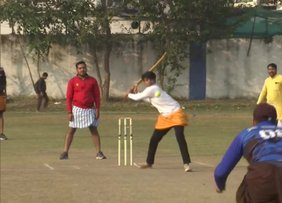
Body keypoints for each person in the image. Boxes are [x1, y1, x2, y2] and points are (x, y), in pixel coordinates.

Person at [214, 103, 282, 203]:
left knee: (243, 192)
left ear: (254, 121)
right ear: (276, 121)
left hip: (262, 177)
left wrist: (220, 186)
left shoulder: (247, 133)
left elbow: (220, 172)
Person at [126, 71, 192, 172]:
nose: (150, 81)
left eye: (152, 79)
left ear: (154, 80)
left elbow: (137, 98)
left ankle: (186, 164)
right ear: (144, 81)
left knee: (180, 137)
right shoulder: (152, 90)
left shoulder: (153, 88)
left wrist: (129, 94)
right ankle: (149, 163)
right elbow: (148, 99)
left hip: (176, 113)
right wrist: (135, 93)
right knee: (154, 139)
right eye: (148, 80)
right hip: (164, 117)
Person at [59, 61, 106, 160]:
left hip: (90, 109)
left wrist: (97, 109)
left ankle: (99, 152)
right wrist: (69, 112)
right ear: (77, 70)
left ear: (86, 68)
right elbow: (69, 97)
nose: (82, 69)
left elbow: (97, 96)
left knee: (93, 130)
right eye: (80, 68)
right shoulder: (72, 81)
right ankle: (65, 152)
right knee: (71, 130)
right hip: (77, 109)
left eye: (83, 68)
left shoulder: (92, 81)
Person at [0, 67, 7, 141]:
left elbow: (4, 85)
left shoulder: (1, 71)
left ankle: (1, 134)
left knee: (1, 115)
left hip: (0, 95)